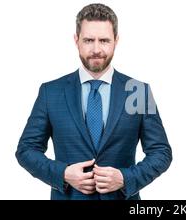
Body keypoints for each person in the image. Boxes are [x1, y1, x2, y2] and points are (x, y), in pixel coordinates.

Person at [15, 3, 172, 200]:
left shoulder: (138, 91)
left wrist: (126, 178)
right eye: (89, 40)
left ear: (116, 40)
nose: (96, 49)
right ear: (76, 41)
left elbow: (161, 152)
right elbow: (26, 150)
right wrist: (63, 174)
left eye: (104, 40)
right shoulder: (50, 92)